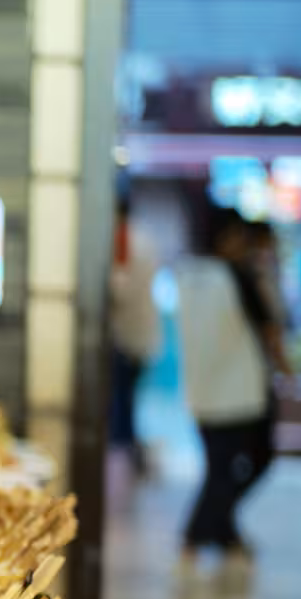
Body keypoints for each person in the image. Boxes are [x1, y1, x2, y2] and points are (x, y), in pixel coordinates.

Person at [175, 207, 291, 577]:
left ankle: (223, 534)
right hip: (242, 391)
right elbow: (269, 329)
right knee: (245, 464)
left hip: (203, 390)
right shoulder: (239, 276)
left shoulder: (187, 275)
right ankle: (196, 533)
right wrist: (286, 368)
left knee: (219, 469)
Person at [108, 197, 160, 476]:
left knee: (122, 404)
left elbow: (121, 289)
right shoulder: (142, 237)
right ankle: (131, 461)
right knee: (127, 403)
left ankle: (125, 466)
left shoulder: (126, 239)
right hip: (139, 335)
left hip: (129, 337)